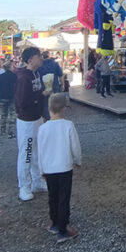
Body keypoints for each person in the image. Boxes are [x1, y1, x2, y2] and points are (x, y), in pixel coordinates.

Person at [37, 93, 82, 243]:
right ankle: (63, 230)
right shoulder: (68, 125)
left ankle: (55, 222)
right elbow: (75, 146)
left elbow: (40, 150)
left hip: (49, 167)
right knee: (64, 198)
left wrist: (41, 168)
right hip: (64, 166)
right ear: (64, 108)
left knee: (53, 196)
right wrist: (77, 160)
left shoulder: (42, 128)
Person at [14, 47, 49, 200]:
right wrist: (40, 96)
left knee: (37, 151)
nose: (41, 58)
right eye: (38, 56)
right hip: (26, 120)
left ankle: (36, 181)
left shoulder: (37, 73)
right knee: (26, 153)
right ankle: (24, 186)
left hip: (37, 117)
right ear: (30, 60)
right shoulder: (23, 78)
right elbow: (22, 102)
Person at [38, 52, 64, 122]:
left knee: (45, 105)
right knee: (56, 104)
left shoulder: (39, 65)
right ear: (49, 56)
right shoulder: (55, 64)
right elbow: (61, 75)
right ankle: (55, 119)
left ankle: (46, 121)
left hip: (43, 89)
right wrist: (62, 84)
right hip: (54, 87)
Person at [0, 61, 17, 137]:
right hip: (12, 97)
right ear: (10, 67)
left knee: (3, 114)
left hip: (2, 97)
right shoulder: (15, 76)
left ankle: (2, 130)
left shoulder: (0, 76)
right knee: (12, 114)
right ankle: (10, 131)